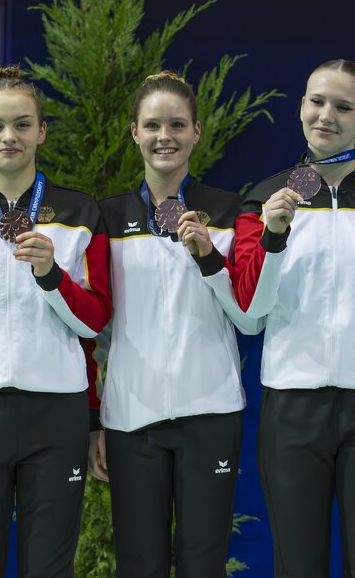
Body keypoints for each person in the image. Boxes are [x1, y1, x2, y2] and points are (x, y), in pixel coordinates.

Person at [233, 59, 355, 578]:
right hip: (292, 408)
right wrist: (275, 233)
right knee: (297, 565)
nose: (327, 115)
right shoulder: (264, 198)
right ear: (301, 106)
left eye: (344, 107)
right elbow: (250, 308)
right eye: (317, 101)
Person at [0, 65, 112, 577]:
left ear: (41, 131)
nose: (9, 136)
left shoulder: (79, 213)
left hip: (56, 411)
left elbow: (95, 320)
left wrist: (51, 273)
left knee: (49, 568)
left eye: (22, 124)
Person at [89, 71, 263, 578]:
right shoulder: (106, 216)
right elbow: (95, 327)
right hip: (130, 418)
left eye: (177, 125)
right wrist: (95, 419)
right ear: (134, 132)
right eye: (153, 125)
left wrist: (209, 255)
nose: (165, 136)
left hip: (210, 413)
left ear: (197, 132)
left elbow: (249, 319)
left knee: (202, 564)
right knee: (137, 564)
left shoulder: (231, 211)